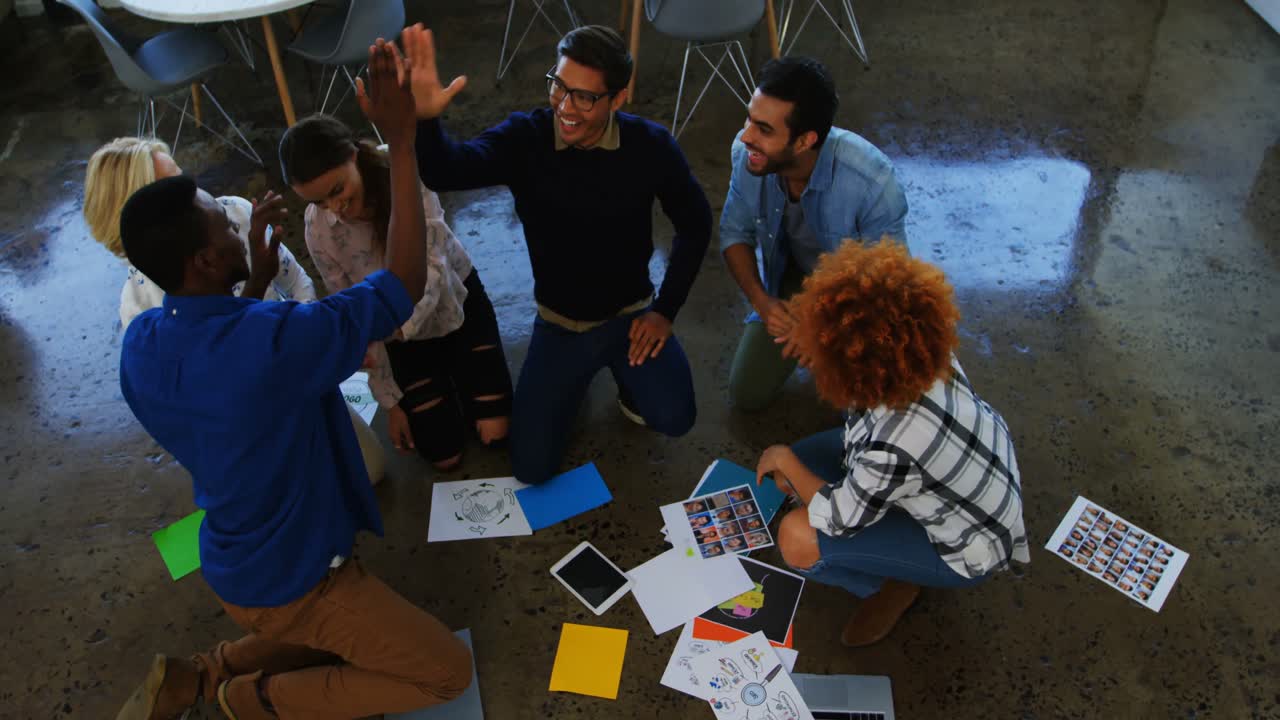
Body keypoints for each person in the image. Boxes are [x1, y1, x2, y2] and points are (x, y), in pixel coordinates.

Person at [113, 42, 472, 720]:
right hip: (298, 581)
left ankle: (201, 671)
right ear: (200, 259)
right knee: (446, 673)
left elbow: (222, 363)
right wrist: (401, 141)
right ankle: (252, 700)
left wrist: (245, 280)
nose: (236, 218)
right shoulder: (277, 343)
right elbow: (400, 284)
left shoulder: (141, 345)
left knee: (296, 627)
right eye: (225, 222)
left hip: (235, 562)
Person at [397, 23, 712, 484]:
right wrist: (425, 119)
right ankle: (577, 379)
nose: (566, 107)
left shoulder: (650, 147)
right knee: (530, 469)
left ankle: (626, 381)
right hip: (560, 325)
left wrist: (664, 311)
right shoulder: (526, 138)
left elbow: (696, 223)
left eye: (584, 97)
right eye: (559, 87)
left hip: (630, 317)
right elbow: (447, 171)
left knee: (674, 417)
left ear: (618, 100)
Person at [755, 240, 1029, 648]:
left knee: (796, 535)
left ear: (853, 366)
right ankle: (892, 559)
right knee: (792, 475)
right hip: (948, 481)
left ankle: (893, 585)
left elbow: (837, 517)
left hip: (966, 548)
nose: (806, 353)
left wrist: (782, 457)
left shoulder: (894, 443)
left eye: (817, 347)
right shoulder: (915, 356)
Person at [83, 137, 389, 485]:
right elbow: (225, 380)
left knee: (370, 471)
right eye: (173, 189)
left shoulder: (236, 214)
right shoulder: (140, 318)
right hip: (253, 428)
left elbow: (294, 284)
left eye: (185, 179)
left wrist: (312, 341)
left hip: (299, 377)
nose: (200, 196)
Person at [280, 113, 513, 470]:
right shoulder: (318, 229)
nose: (334, 209)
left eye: (337, 190)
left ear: (353, 154)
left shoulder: (403, 169)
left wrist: (394, 327)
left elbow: (434, 269)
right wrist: (391, 402)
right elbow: (354, 313)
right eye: (318, 202)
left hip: (455, 305)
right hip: (401, 339)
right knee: (443, 455)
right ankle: (446, 384)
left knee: (496, 433)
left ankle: (459, 376)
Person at [720, 56, 909, 412]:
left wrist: (822, 329)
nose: (746, 136)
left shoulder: (873, 184)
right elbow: (734, 234)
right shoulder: (747, 155)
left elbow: (889, 292)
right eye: (749, 118)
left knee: (863, 405)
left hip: (857, 297)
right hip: (792, 279)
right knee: (747, 393)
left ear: (805, 140)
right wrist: (764, 303)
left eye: (764, 129)